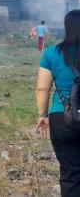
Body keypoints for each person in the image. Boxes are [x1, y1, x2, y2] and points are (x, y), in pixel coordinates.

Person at [36, 10, 80, 196]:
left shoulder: (52, 53)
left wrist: (42, 115)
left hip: (62, 118)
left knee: (71, 174)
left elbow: (42, 89)